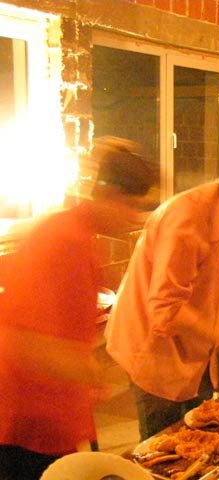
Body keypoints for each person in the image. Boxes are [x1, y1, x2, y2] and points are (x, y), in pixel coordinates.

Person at [105, 150, 219, 440]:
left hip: (198, 347)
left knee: (202, 433)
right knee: (165, 444)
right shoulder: (186, 220)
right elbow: (166, 308)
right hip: (156, 349)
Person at [0, 136, 155, 480]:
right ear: (109, 193)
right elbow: (19, 339)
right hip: (28, 419)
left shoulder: (76, 233)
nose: (134, 217)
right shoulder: (64, 240)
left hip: (52, 411)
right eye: (131, 205)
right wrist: (86, 371)